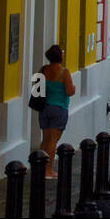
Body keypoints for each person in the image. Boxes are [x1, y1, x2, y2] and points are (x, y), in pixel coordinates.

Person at [37, 44, 75, 180]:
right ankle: (48, 170)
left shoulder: (42, 70)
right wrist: (73, 87)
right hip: (58, 108)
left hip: (44, 108)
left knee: (45, 139)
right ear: (60, 56)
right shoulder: (64, 72)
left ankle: (40, 168)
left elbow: (37, 89)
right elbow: (70, 91)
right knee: (53, 141)